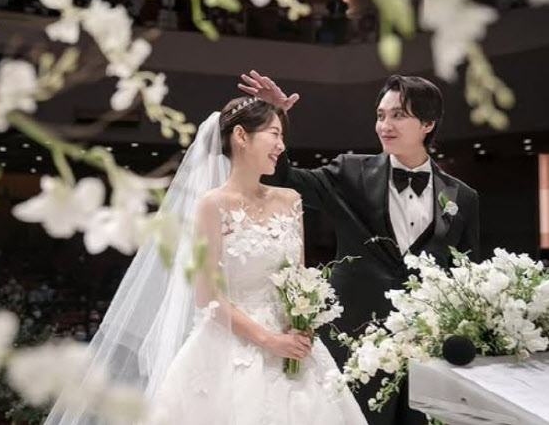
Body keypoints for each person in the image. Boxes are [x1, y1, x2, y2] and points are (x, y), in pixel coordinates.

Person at [44, 97, 367, 425]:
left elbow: (299, 280)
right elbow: (206, 297)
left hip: (292, 346)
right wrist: (269, 341)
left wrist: (302, 325)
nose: (281, 146)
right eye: (274, 134)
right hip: (230, 347)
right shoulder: (212, 205)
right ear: (240, 136)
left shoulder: (291, 200)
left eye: (282, 136)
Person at [238, 71, 480, 425]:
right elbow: (283, 178)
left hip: (426, 349)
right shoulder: (350, 172)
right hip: (354, 339)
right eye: (381, 115)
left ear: (428, 124)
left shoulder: (463, 197)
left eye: (398, 115)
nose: (385, 125)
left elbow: (466, 277)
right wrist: (272, 117)